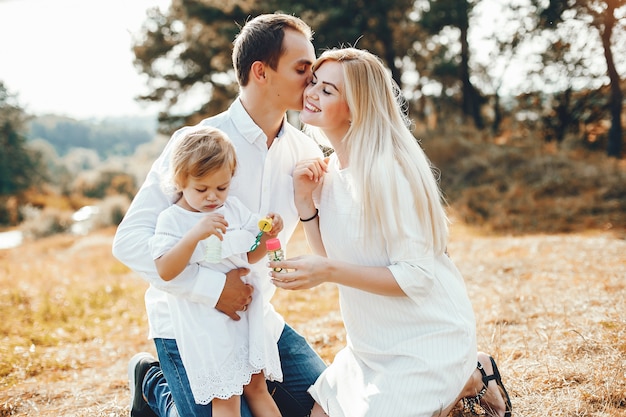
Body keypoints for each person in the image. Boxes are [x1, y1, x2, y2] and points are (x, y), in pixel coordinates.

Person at [269, 48, 513, 417]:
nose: (311, 92)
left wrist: (327, 273)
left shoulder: (390, 172)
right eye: (314, 82)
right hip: (371, 346)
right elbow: (330, 257)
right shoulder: (327, 172)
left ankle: (471, 373)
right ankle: (466, 379)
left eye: (328, 91)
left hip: (428, 340)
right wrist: (306, 204)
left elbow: (415, 276)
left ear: (357, 107)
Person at [113, 13, 327, 417]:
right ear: (261, 72)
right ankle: (154, 384)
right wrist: (212, 289)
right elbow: (129, 241)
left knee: (335, 405)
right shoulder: (196, 144)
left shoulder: (308, 154)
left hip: (258, 322)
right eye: (303, 69)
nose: (312, 81)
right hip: (188, 326)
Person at [150, 126, 285, 417]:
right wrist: (194, 235)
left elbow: (251, 253)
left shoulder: (233, 209)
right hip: (209, 326)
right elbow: (165, 270)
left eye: (221, 188)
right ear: (180, 180)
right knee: (227, 399)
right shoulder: (172, 220)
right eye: (202, 189)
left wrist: (268, 232)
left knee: (258, 387)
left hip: (246, 319)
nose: (213, 197)